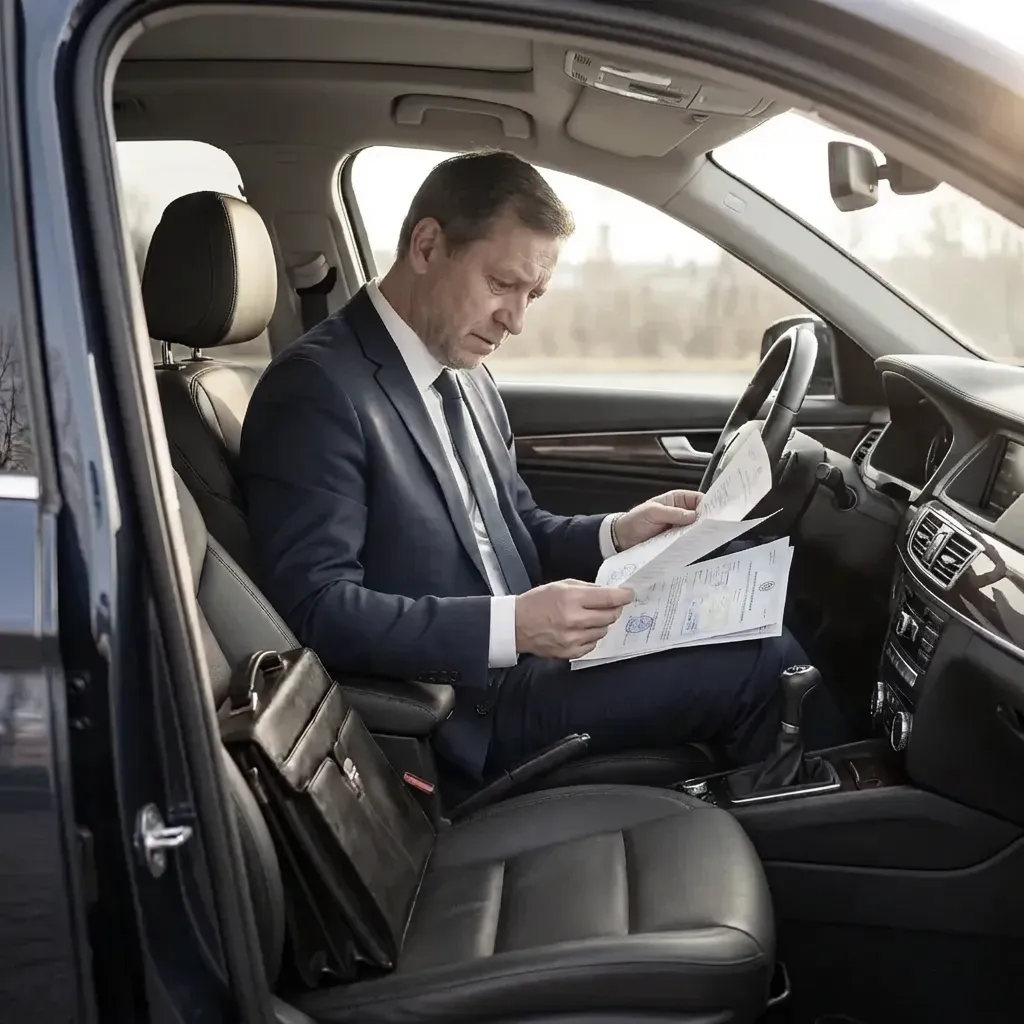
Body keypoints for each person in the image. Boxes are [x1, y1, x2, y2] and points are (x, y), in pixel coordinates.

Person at [239, 149, 835, 782]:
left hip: (533, 662)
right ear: (427, 245)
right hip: (462, 709)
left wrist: (618, 533)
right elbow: (317, 609)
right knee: (761, 659)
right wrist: (514, 626)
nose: (516, 321)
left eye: (534, 294)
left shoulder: (466, 375)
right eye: (501, 285)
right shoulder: (317, 387)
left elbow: (514, 528)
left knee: (757, 603)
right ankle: (854, 833)